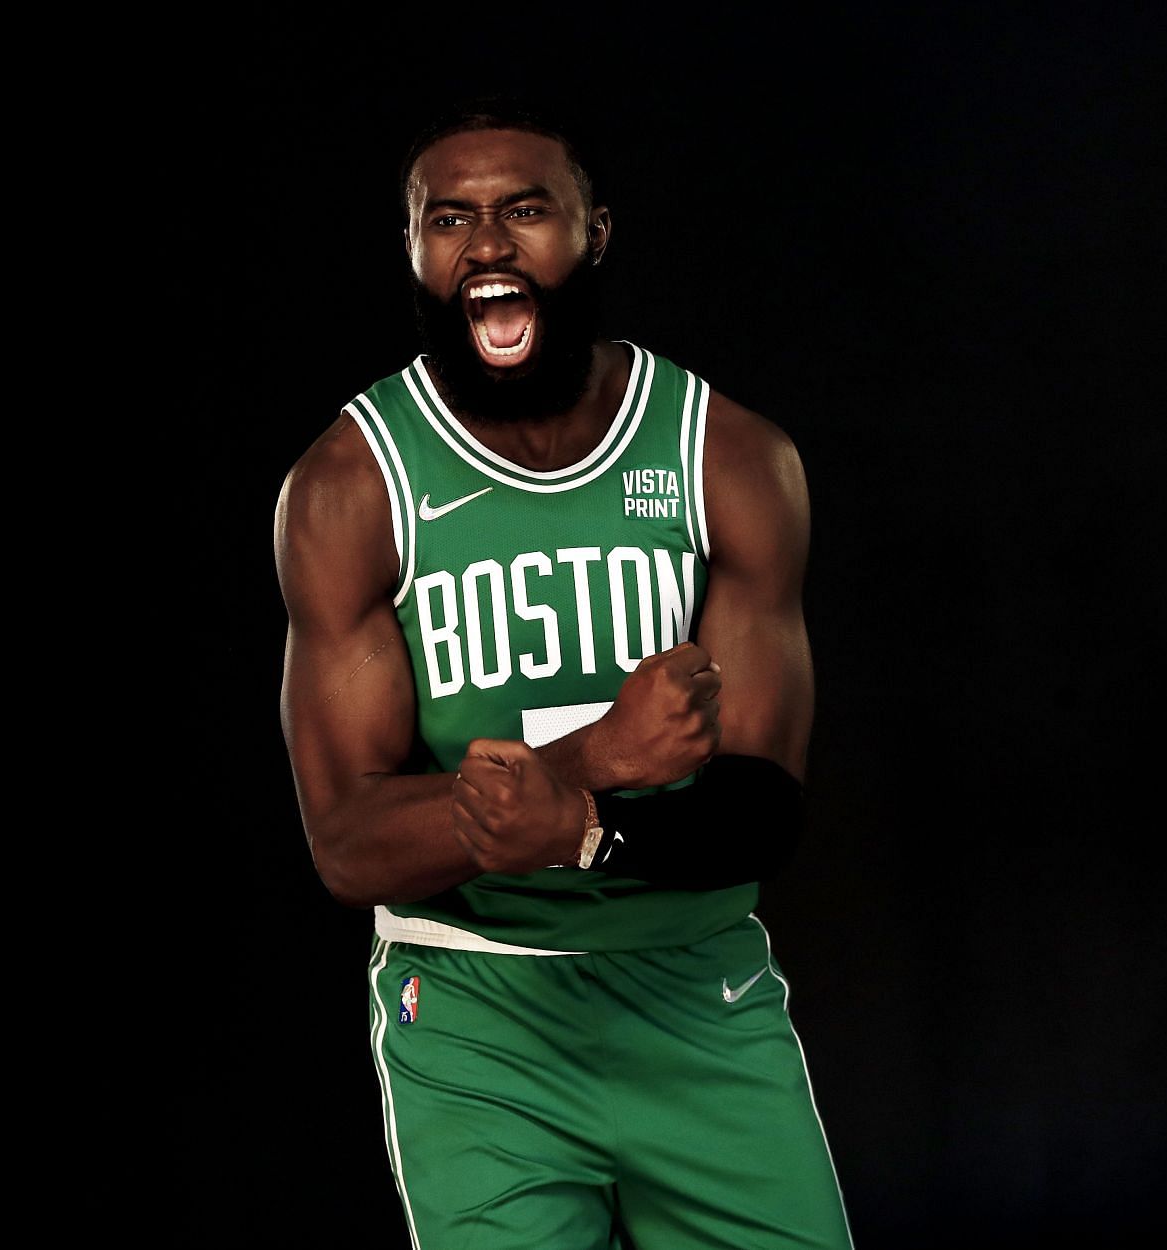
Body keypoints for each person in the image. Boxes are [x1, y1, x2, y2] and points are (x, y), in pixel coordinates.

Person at [275, 99, 852, 1249]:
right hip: (479, 1013)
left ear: (593, 232)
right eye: (450, 219)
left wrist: (585, 831)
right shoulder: (351, 486)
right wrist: (592, 762)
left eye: (524, 209)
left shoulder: (727, 456)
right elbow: (345, 841)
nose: (487, 244)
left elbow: (759, 808)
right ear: (415, 251)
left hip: (695, 986)